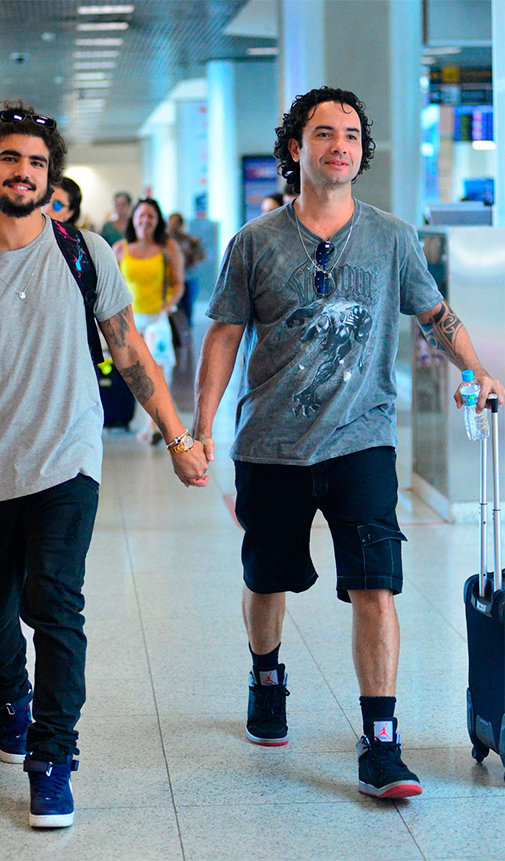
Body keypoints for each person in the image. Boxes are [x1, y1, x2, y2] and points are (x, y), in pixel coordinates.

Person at [0, 99, 209, 829]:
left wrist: (175, 436)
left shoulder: (85, 253)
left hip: (70, 460)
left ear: (50, 176)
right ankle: (9, 691)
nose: (24, 172)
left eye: (37, 162)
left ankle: (53, 757)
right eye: (12, 159)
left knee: (56, 604)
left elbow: (129, 350)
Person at [193, 86, 504, 800]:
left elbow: (436, 312)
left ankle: (381, 740)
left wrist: (478, 368)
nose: (341, 145)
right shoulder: (256, 241)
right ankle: (266, 676)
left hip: (363, 440)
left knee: (376, 584)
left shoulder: (391, 237)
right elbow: (224, 334)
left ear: (362, 152)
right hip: (271, 444)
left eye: (353, 135)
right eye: (325, 132)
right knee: (267, 579)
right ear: (296, 147)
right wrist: (202, 427)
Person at [113, 197, 185, 444]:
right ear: (133, 219)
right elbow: (113, 286)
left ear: (157, 221)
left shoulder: (168, 248)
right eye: (141, 216)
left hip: (157, 318)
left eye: (150, 217)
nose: (145, 221)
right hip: (130, 321)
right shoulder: (121, 249)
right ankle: (146, 422)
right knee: (139, 373)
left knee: (159, 372)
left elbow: (178, 283)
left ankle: (154, 426)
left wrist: (168, 305)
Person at [168, 212, 206, 325]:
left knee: (187, 309)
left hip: (187, 278)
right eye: (171, 223)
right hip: (171, 280)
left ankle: (186, 334)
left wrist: (195, 250)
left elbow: (201, 257)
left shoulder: (189, 240)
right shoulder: (166, 242)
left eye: (176, 223)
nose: (173, 226)